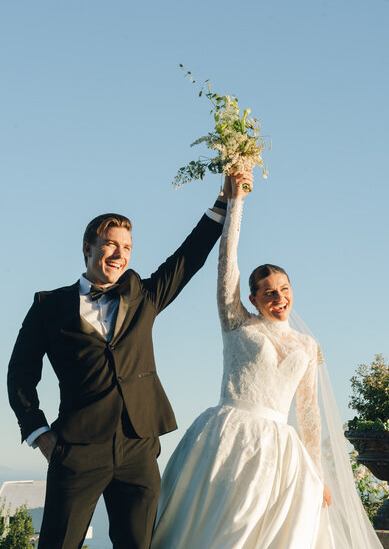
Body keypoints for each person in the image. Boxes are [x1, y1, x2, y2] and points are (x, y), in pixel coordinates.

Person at [151, 173, 384, 549]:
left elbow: (309, 416)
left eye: (285, 290)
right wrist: (236, 202)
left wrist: (318, 475)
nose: (279, 297)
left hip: (279, 450)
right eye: (269, 292)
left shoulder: (307, 346)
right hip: (226, 437)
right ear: (254, 299)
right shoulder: (237, 322)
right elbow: (227, 261)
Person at [7, 189, 228, 549]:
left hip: (138, 446)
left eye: (126, 247)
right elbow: (20, 374)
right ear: (88, 248)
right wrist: (40, 435)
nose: (120, 254)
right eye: (110, 244)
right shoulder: (49, 306)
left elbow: (187, 258)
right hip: (77, 448)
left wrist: (223, 202)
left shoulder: (144, 296)